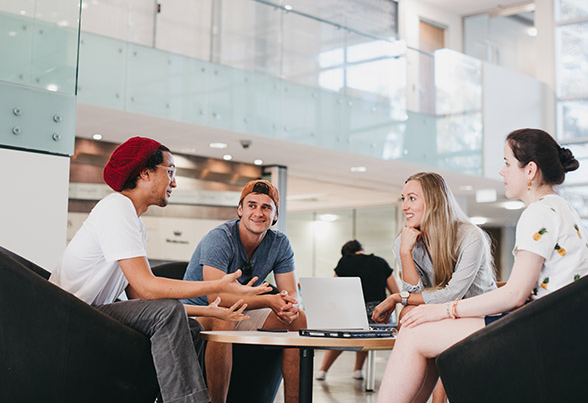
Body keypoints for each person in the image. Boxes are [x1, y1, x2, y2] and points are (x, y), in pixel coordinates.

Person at [50, 137, 270, 403]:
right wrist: (217, 285)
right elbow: (147, 287)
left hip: (93, 312)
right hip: (71, 316)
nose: (174, 182)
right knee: (167, 313)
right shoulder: (116, 208)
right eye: (170, 172)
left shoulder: (134, 222)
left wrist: (209, 310)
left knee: (190, 328)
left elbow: (139, 298)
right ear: (145, 173)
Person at [376, 128, 588, 403]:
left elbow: (515, 294)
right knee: (420, 331)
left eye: (507, 163)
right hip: (558, 328)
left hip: (542, 333)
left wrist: (445, 310)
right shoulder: (562, 208)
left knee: (414, 333)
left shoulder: (538, 213)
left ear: (530, 170)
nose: (502, 172)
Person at [370, 171, 496, 403]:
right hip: (442, 316)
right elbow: (415, 295)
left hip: (480, 316)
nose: (405, 206)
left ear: (434, 202)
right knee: (409, 313)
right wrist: (405, 252)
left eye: (412, 198)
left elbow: (452, 295)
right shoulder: (405, 241)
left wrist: (398, 297)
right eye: (403, 198)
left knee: (409, 314)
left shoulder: (470, 236)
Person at [183, 179, 307, 403]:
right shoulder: (219, 238)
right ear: (240, 210)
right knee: (225, 317)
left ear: (275, 215)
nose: (258, 213)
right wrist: (270, 301)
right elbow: (217, 299)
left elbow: (291, 293)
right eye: (252, 205)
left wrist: (290, 307)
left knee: (298, 320)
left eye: (266, 207)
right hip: (201, 311)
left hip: (240, 309)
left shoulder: (280, 243)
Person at [316, 239, 399, 381]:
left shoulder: (344, 262)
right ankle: (358, 370)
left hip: (353, 311)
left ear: (346, 253)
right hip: (379, 313)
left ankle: (323, 371)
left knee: (342, 339)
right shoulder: (380, 262)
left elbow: (334, 289)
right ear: (362, 249)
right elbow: (395, 292)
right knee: (366, 335)